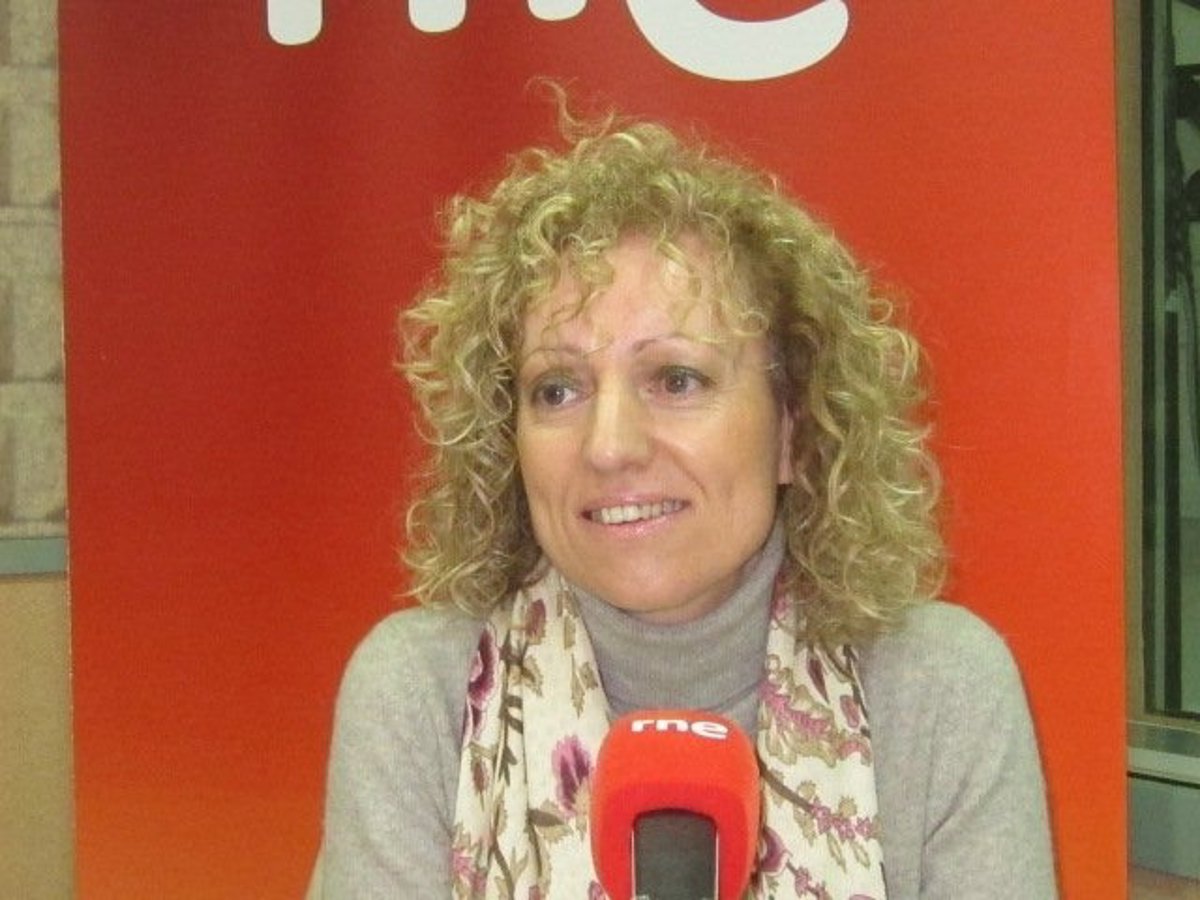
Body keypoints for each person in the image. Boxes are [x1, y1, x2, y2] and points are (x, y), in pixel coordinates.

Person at [315, 108, 1056, 899]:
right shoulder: (420, 692)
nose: (609, 446)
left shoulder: (939, 687)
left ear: (792, 429)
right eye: (557, 389)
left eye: (676, 380)